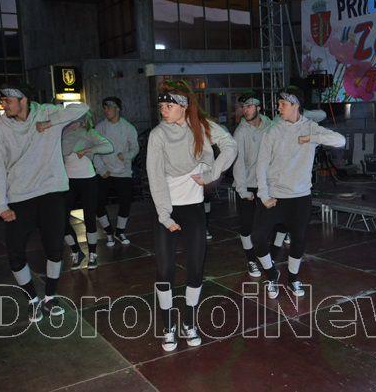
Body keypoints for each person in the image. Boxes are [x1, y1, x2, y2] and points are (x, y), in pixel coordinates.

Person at [147, 80, 237, 351]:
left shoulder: (201, 126)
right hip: (167, 210)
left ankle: (188, 321)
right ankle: (168, 326)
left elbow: (230, 145)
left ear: (183, 106)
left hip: (194, 209)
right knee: (165, 270)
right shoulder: (157, 135)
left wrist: (212, 172)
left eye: (169, 106)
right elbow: (155, 177)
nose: (163, 110)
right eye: (161, 106)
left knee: (196, 268)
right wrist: (165, 216)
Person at [0, 81, 88, 321]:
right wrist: (1, 204)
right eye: (3, 101)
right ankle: (33, 299)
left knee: (54, 249)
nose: (3, 105)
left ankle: (50, 297)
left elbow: (83, 108)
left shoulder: (46, 113)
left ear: (23, 100)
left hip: (51, 191)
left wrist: (50, 122)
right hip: (19, 196)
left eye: (8, 101)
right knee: (15, 254)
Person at [253, 86, 345, 299]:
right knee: (258, 237)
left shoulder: (310, 127)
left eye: (283, 104)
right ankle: (272, 274)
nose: (278, 108)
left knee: (299, 239)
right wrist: (264, 195)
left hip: (300, 196)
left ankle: (293, 277)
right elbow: (262, 165)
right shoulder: (273, 131)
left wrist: (311, 137)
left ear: (295, 105)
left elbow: (340, 141)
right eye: (279, 104)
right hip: (275, 196)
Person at [232, 91, 287, 277]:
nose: (245, 110)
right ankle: (251, 260)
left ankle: (272, 255)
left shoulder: (270, 126)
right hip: (248, 185)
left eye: (249, 106)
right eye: (243, 107)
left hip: (269, 185)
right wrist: (242, 190)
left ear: (258, 107)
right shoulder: (240, 132)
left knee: (280, 223)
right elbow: (238, 163)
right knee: (247, 227)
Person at [62, 112, 113, 270]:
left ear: (82, 121)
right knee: (61, 219)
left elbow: (108, 146)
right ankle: (76, 251)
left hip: (87, 179)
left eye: (76, 120)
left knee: (89, 216)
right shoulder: (63, 133)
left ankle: (92, 254)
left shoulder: (89, 132)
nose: (73, 123)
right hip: (68, 180)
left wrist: (88, 150)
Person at [94, 97, 139, 247]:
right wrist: (101, 169)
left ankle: (120, 231)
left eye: (109, 107)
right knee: (98, 203)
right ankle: (108, 232)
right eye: (104, 108)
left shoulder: (128, 127)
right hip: (105, 172)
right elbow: (94, 150)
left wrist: (126, 156)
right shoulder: (100, 128)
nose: (106, 110)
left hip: (123, 172)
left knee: (125, 202)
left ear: (117, 108)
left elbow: (135, 148)